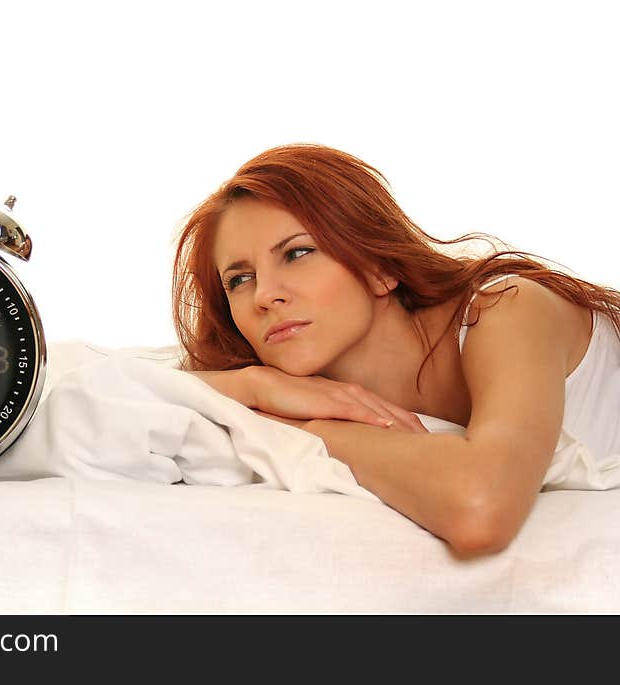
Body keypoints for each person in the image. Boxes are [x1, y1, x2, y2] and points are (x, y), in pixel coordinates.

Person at [172, 143, 620, 558]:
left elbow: (480, 510)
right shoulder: (286, 382)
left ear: (379, 267)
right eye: (239, 279)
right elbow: (127, 388)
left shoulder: (507, 309)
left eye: (297, 253)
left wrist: (302, 427)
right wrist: (251, 384)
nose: (265, 295)